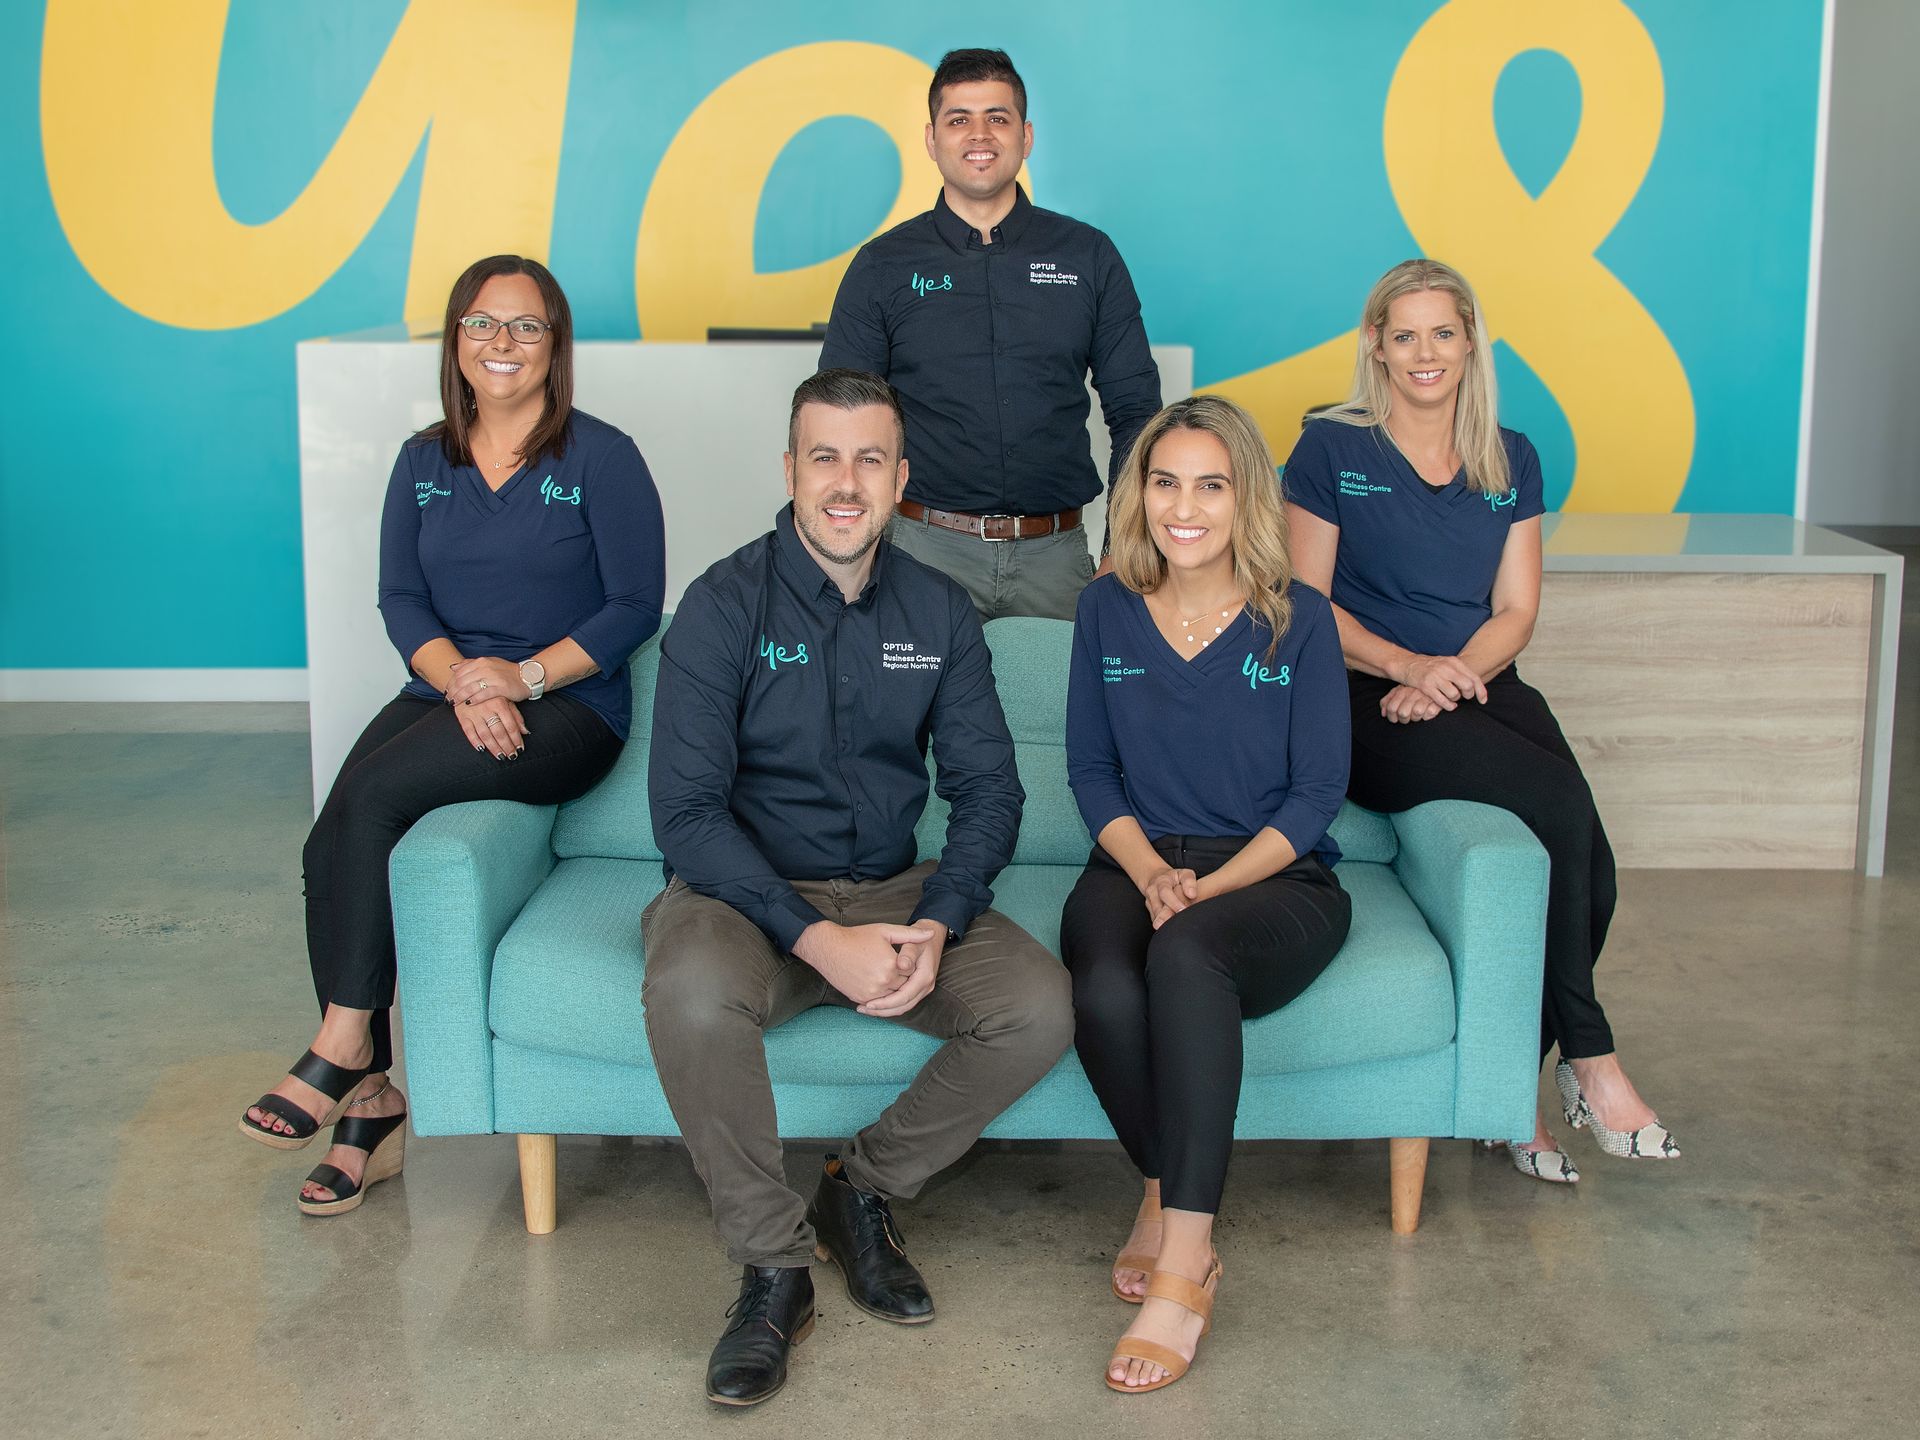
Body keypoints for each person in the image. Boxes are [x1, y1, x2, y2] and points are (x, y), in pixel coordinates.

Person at [643, 367, 1073, 1407]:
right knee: (692, 995)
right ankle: (774, 1269)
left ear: (901, 478)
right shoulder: (722, 603)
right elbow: (688, 815)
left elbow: (989, 792)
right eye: (824, 456)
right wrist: (811, 936)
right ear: (790, 468)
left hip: (892, 890)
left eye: (869, 458)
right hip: (743, 895)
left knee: (1037, 1008)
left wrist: (936, 920)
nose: (846, 482)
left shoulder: (937, 609)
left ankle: (861, 1190)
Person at [238, 255, 666, 1215]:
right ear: (456, 341)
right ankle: (377, 1108)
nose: (502, 344)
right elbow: (401, 596)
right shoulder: (422, 460)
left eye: (525, 326)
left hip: (568, 705)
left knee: (379, 797)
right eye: (482, 324)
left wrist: (520, 676)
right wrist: (465, 682)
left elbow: (637, 604)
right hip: (446, 689)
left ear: (555, 346)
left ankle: (345, 1045)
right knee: (332, 833)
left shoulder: (603, 456)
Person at [1284, 257, 1681, 1185]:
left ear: (1471, 344)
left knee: (1593, 867)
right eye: (1405, 334)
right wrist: (1408, 666)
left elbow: (1516, 611)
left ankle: (1515, 1091)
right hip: (1355, 698)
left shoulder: (1513, 455)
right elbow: (1306, 606)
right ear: (1375, 346)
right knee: (1551, 800)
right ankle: (1593, 1057)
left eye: (1445, 333)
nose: (1426, 353)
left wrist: (1451, 675)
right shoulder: (1330, 452)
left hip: (1481, 682)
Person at [1061, 395, 1353, 1393]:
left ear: (1247, 500)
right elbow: (1091, 774)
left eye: (1211, 485)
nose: (1185, 507)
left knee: (1185, 956)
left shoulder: (1299, 620)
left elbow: (1318, 794)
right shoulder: (1104, 606)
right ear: (1140, 494)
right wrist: (1149, 874)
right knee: (1102, 984)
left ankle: (1186, 1263)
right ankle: (1156, 1184)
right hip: (1136, 858)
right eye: (1165, 481)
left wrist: (1209, 889)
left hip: (1272, 874)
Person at [819, 47, 1162, 622]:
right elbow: (839, 421)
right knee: (918, 716)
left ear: (1025, 136)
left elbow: (1137, 415)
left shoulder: (1089, 255)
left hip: (1060, 561)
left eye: (997, 118)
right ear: (932, 139)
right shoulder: (882, 265)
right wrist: (858, 551)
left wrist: (1120, 552)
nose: (980, 135)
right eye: (959, 120)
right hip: (922, 554)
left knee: (1062, 713)